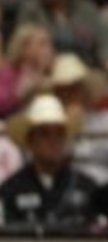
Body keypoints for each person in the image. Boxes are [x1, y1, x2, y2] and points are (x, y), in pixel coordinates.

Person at [0, 94, 98, 229]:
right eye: (45, 134)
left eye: (60, 134)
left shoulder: (87, 186)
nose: (54, 141)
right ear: (30, 140)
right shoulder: (11, 189)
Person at [47, 52, 108, 187]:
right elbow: (47, 161)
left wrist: (81, 150)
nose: (69, 95)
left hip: (106, 188)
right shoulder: (46, 125)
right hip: (64, 192)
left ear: (86, 91)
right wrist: (70, 130)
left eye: (75, 88)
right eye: (63, 90)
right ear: (56, 95)